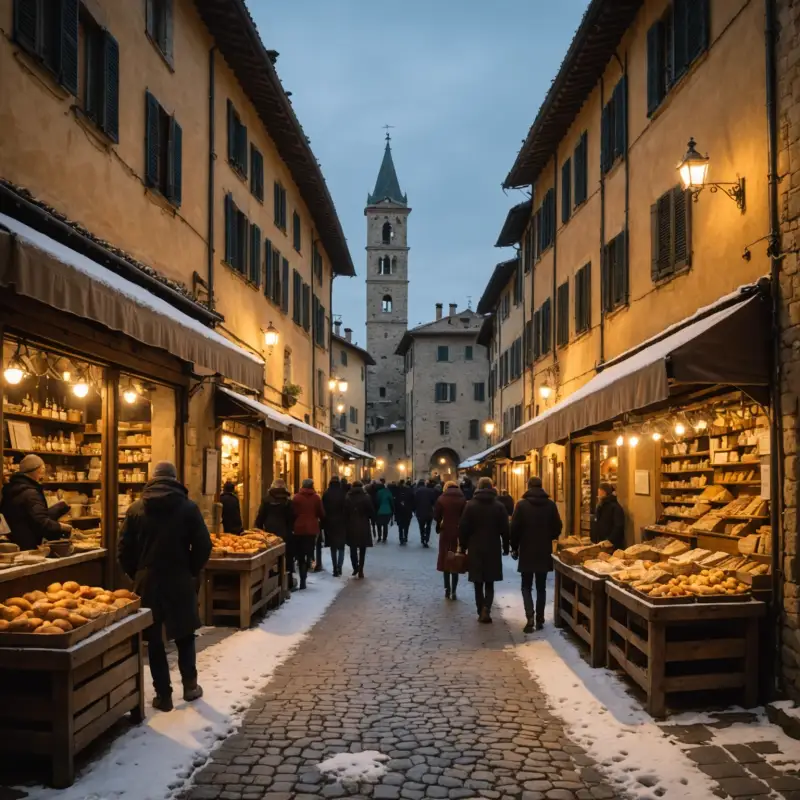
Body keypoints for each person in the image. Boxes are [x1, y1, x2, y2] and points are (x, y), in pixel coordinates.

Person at [118, 461, 211, 711]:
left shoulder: (136, 509)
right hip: (179, 577)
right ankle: (190, 686)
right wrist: (191, 569)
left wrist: (136, 573)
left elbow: (124, 549)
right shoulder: (188, 508)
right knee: (184, 633)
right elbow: (203, 545)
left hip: (148, 579)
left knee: (154, 639)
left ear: (152, 479)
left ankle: (163, 695)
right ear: (175, 478)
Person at [510, 477, 563, 633]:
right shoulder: (551, 505)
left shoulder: (521, 505)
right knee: (541, 586)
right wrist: (550, 537)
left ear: (528, 486)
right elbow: (558, 527)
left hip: (526, 550)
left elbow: (514, 528)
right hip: (544, 550)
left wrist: (514, 546)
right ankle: (540, 619)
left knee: (526, 586)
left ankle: (530, 617)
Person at [459, 476, 509, 624]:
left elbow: (463, 528)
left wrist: (462, 545)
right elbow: (505, 529)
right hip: (493, 546)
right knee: (490, 581)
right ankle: (487, 607)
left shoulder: (470, 505)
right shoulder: (499, 506)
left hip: (475, 547)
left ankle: (480, 609)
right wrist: (506, 546)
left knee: (478, 581)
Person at [0, 454, 72, 550]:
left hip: (14, 545)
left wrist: (60, 507)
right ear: (38, 470)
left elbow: (31, 516)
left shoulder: (13, 488)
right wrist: (62, 527)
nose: (43, 473)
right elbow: (41, 522)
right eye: (42, 469)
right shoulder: (31, 493)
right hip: (28, 546)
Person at [255, 479, 295, 589]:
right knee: (287, 558)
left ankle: (271, 582)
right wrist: (291, 530)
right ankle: (288, 582)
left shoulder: (266, 500)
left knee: (270, 559)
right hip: (285, 533)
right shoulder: (288, 502)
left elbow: (260, 517)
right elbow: (291, 518)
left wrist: (259, 530)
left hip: (269, 533)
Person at [434, 481, 467, 600]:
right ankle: (454, 590)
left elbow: (436, 516)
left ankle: (447, 589)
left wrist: (438, 526)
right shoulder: (463, 499)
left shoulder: (441, 499)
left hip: (446, 532)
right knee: (456, 560)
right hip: (458, 532)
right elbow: (465, 517)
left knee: (446, 560)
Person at [292, 478, 325, 590]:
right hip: (311, 529)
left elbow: (293, 513)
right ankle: (305, 575)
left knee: (300, 553)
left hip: (299, 528)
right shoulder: (316, 498)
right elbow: (321, 513)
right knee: (309, 552)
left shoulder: (296, 498)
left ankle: (302, 575)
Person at [345, 480, 375, 578]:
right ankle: (361, 569)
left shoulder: (348, 497)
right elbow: (371, 511)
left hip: (351, 525)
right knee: (362, 548)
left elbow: (345, 511)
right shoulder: (366, 497)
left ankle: (355, 566)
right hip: (363, 525)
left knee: (352, 547)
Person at [322, 476, 347, 576]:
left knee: (333, 547)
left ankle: (334, 567)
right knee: (341, 546)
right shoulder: (343, 493)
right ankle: (340, 567)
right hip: (341, 523)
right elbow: (346, 508)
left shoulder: (326, 494)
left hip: (330, 523)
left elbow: (323, 509)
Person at [591, 482, 626, 549]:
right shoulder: (601, 506)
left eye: (599, 492)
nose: (598, 495)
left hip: (611, 545)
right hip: (601, 543)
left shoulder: (615, 507)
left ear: (604, 492)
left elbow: (618, 526)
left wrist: (609, 540)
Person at [414, 479, 438, 547]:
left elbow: (415, 502)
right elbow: (433, 502)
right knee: (428, 526)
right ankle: (427, 539)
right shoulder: (430, 491)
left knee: (421, 526)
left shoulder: (417, 491)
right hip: (429, 511)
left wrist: (414, 510)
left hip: (420, 511)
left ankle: (422, 538)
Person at [394, 480, 415, 545]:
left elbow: (395, 503)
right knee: (406, 526)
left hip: (399, 512)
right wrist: (412, 509)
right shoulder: (410, 492)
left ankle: (401, 538)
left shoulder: (397, 492)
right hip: (407, 511)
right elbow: (413, 501)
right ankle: (405, 537)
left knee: (400, 526)